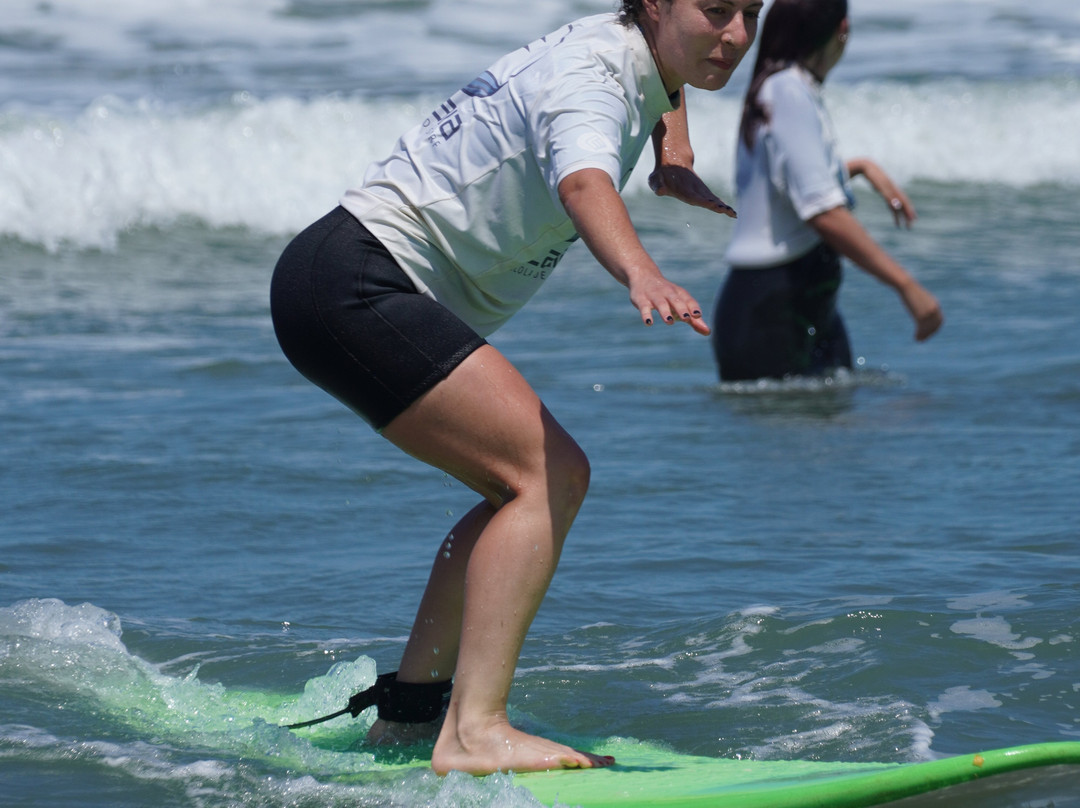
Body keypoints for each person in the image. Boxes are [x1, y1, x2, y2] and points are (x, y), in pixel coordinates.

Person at [270, 0, 762, 777]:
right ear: (658, 4)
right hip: (358, 285)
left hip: (341, 276)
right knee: (547, 475)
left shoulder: (640, 45)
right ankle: (475, 731)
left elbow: (667, 80)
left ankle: (412, 716)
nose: (737, 33)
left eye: (754, 10)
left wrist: (674, 147)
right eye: (718, 9)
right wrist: (642, 270)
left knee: (521, 489)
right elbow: (583, 182)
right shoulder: (592, 82)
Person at [711, 0, 943, 383]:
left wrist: (861, 166)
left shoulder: (781, 85)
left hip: (793, 301)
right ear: (842, 29)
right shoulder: (787, 90)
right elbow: (821, 211)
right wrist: (906, 286)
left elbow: (787, 182)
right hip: (770, 309)